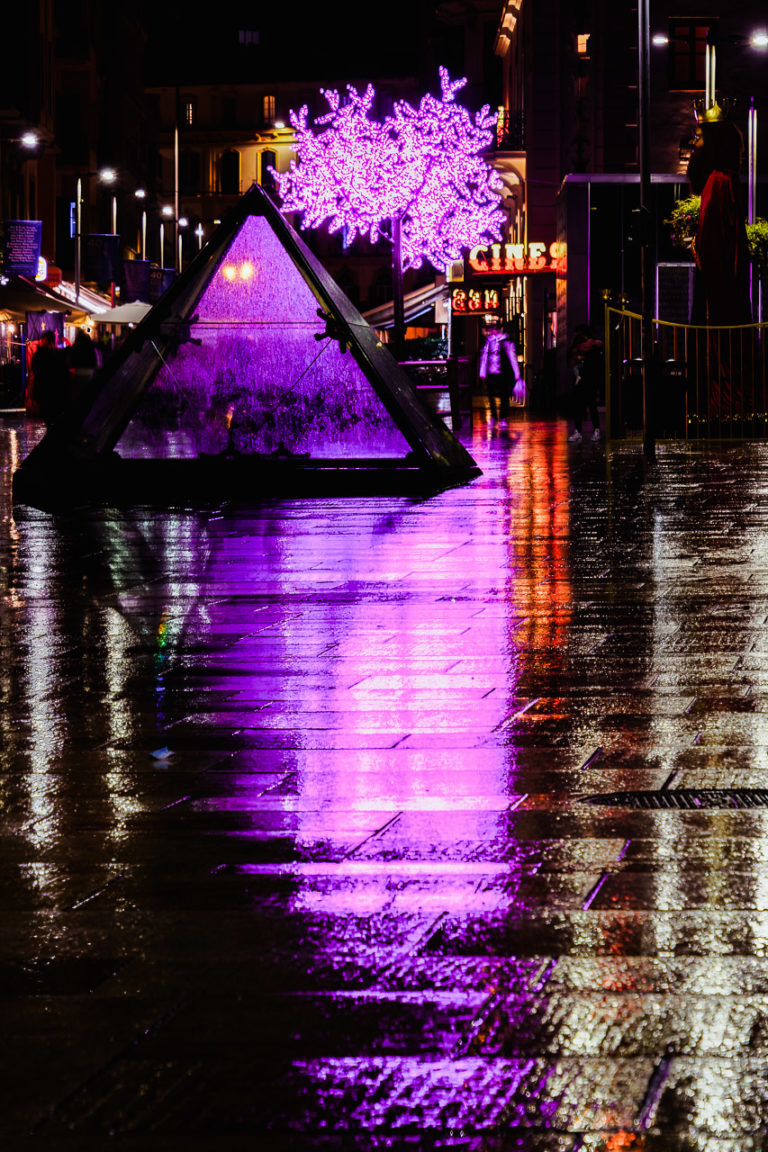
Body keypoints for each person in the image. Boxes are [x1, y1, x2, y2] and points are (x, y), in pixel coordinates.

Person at [479, 322, 524, 425]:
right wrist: (482, 371)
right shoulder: (488, 342)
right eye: (490, 329)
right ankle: (494, 417)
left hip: (503, 372)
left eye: (494, 328)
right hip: (491, 372)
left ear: (499, 329)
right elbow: (484, 358)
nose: (492, 331)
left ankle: (503, 418)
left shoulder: (506, 342)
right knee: (490, 395)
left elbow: (512, 356)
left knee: (504, 395)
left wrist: (516, 372)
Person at [567, 324, 603, 443]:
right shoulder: (593, 345)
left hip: (586, 380)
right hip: (587, 380)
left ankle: (583, 431)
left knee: (584, 406)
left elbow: (571, 361)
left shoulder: (582, 347)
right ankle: (593, 430)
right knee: (587, 406)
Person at [29, 330, 68, 425]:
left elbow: (34, 367)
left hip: (43, 386)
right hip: (55, 388)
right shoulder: (57, 353)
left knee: (46, 412)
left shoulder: (40, 353)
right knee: (52, 412)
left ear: (45, 339)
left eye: (42, 339)